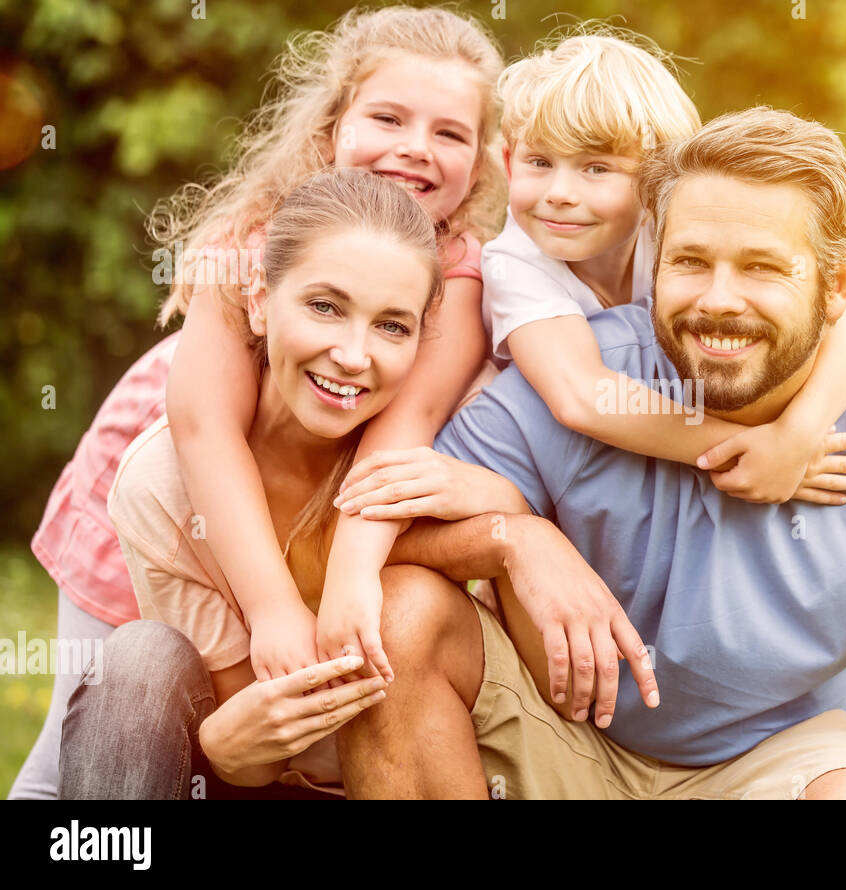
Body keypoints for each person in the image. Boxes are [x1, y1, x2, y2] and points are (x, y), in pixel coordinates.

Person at [335, 108, 846, 799]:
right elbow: (386, 539)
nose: (719, 301)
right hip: (565, 742)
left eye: (762, 267)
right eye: (691, 262)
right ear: (655, 261)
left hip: (784, 760)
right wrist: (515, 540)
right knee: (404, 613)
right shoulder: (580, 380)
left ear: (840, 284)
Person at [12, 5, 505, 798]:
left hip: (310, 496)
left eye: (450, 132)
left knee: (255, 720)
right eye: (387, 116)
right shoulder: (251, 234)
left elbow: (404, 427)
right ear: (333, 123)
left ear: (483, 161)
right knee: (92, 720)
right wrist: (273, 607)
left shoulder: (464, 277)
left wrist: (349, 577)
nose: (415, 147)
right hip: (170, 473)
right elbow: (203, 426)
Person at [59, 170, 534, 798]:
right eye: (325, 307)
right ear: (258, 300)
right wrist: (226, 748)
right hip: (260, 781)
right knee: (137, 661)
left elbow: (518, 644)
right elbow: (261, 758)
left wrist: (509, 511)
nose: (353, 355)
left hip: (411, 772)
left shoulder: (430, 454)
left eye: (392, 325)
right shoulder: (164, 490)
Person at [471, 31, 846, 508]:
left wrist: (796, 437)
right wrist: (746, 451)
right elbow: (581, 397)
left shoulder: (675, 231)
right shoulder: (516, 259)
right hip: (552, 463)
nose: (560, 192)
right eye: (540, 162)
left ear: (654, 180)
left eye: (596, 169)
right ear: (508, 161)